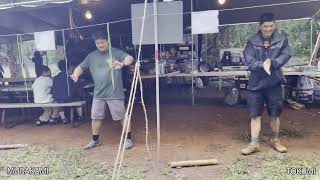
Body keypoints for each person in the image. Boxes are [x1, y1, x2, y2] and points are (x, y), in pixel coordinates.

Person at [71, 31, 134, 150]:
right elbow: (81, 67)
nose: (100, 45)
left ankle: (128, 139)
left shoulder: (115, 52)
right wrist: (75, 73)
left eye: (102, 42)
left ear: (107, 41)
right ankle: (95, 140)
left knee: (122, 116)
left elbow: (129, 58)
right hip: (98, 93)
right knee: (95, 117)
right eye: (97, 43)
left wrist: (123, 63)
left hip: (114, 92)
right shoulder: (91, 56)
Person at [241, 13, 293, 155]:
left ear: (275, 24)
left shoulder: (282, 40)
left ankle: (275, 140)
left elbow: (286, 55)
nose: (268, 29)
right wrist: (262, 64)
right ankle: (254, 143)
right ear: (260, 26)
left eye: (271, 26)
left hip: (274, 82)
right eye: (265, 26)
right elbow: (249, 60)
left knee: (275, 113)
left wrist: (273, 63)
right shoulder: (252, 41)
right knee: (255, 114)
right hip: (255, 83)